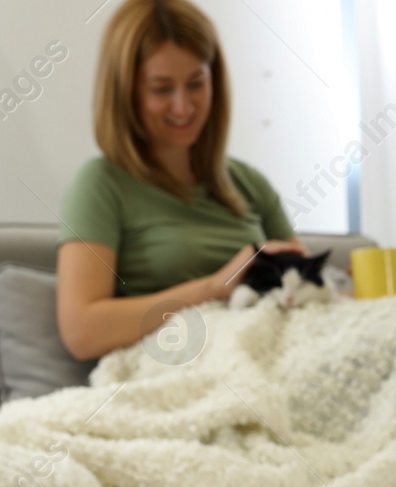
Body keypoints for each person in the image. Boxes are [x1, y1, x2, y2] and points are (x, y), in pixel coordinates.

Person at [55, 0, 306, 361]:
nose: (183, 107)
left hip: (272, 352)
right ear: (127, 93)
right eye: (161, 89)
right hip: (182, 362)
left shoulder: (248, 182)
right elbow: (82, 331)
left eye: (195, 84)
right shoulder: (100, 185)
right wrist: (212, 288)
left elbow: (311, 291)